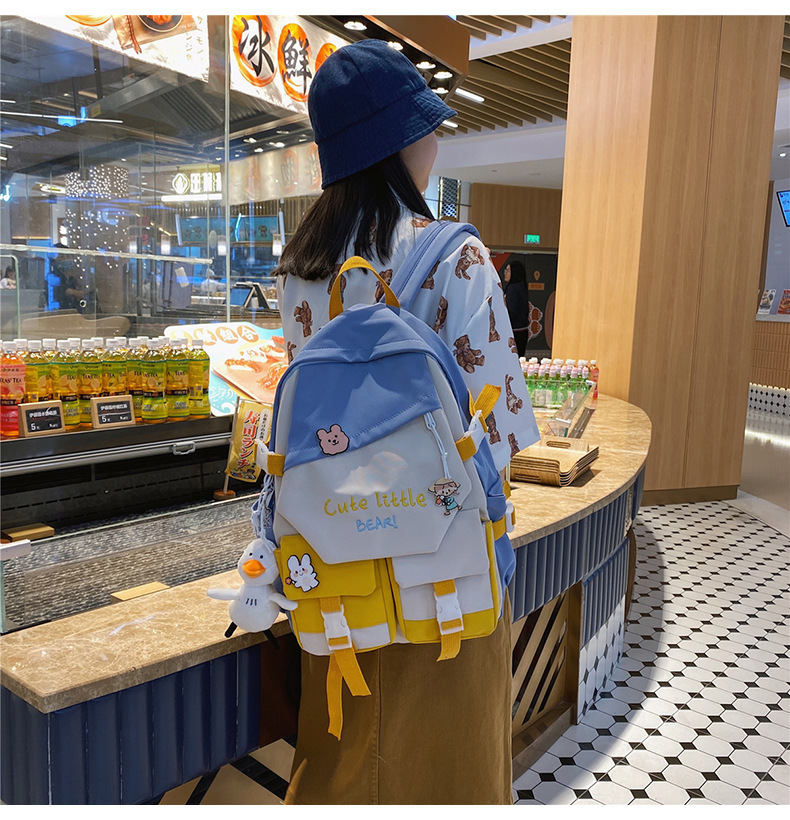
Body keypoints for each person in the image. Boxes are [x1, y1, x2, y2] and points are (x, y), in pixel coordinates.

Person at [274, 39, 539, 805]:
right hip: (443, 570)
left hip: (333, 566)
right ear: (396, 144)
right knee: (452, 776)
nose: (435, 142)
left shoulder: (299, 269)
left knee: (347, 765)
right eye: (426, 128)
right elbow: (499, 438)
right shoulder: (456, 255)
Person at [502, 259, 531, 357]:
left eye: (508, 270)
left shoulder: (513, 288)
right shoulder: (521, 286)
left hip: (514, 331)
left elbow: (511, 311)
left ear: (514, 272)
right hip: (522, 330)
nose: (505, 273)